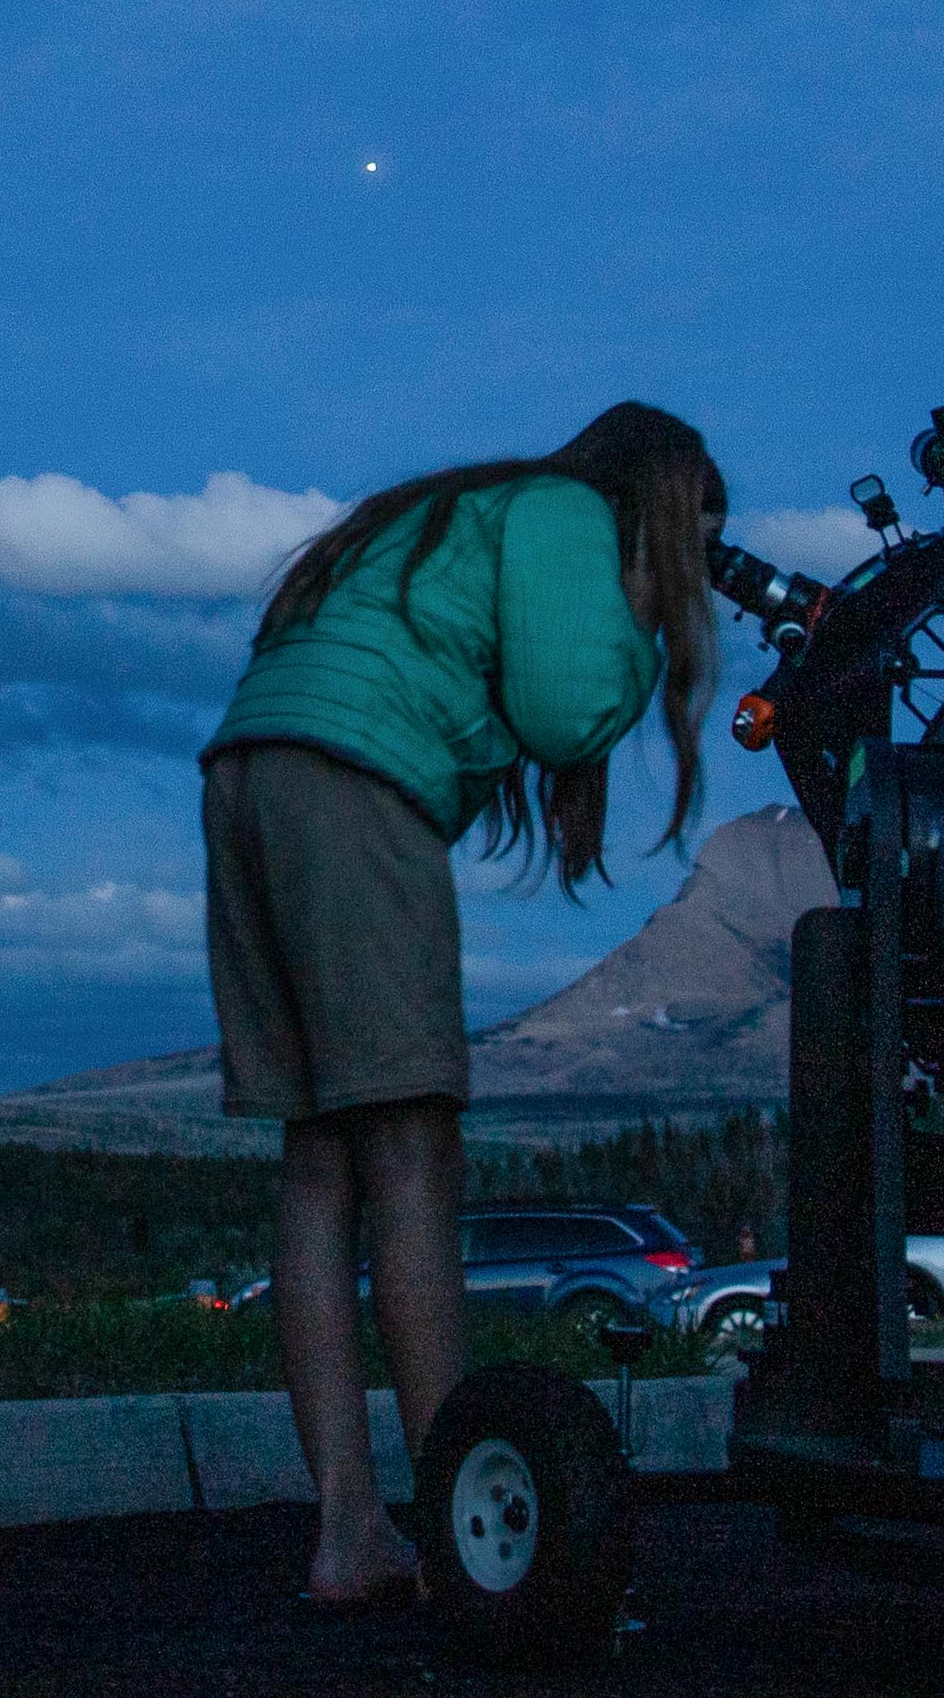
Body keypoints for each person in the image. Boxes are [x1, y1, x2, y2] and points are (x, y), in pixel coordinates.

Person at [201, 404, 728, 1604]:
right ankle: (462, 1534)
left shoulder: (467, 511)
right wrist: (644, 618)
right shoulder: (562, 514)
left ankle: (351, 1531)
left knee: (320, 1161)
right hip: (351, 782)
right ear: (656, 497)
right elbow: (567, 708)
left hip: (253, 770)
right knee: (412, 1150)